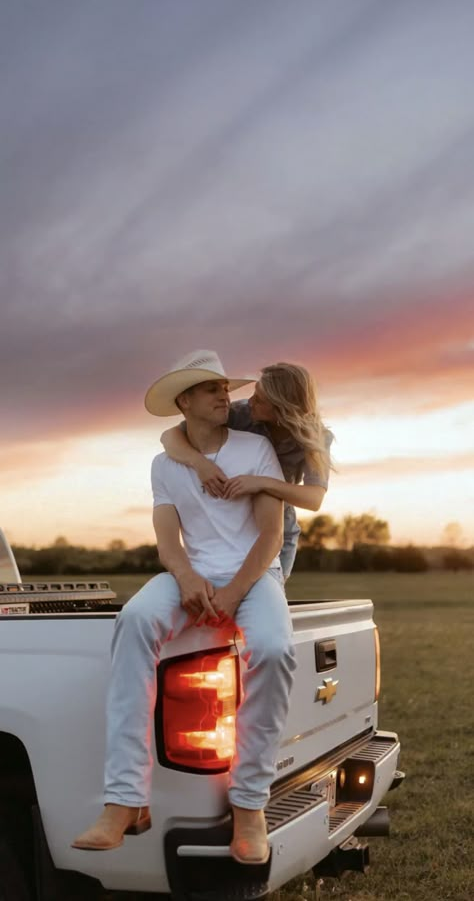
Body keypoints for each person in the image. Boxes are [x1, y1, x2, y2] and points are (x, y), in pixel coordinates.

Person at [72, 350, 296, 865]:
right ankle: (125, 801)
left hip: (255, 575)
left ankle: (248, 807)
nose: (226, 396)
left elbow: (269, 536)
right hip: (189, 573)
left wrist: (236, 591)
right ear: (185, 400)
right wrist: (188, 577)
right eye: (213, 389)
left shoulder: (256, 448)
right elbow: (167, 539)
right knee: (134, 620)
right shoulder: (165, 463)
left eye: (226, 388)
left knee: (273, 646)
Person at [161, 360, 333, 580]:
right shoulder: (239, 414)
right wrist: (201, 464)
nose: (250, 401)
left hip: (277, 531)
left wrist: (262, 482)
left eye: (260, 400)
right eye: (254, 394)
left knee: (264, 595)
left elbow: (314, 498)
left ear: (282, 409)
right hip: (230, 528)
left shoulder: (316, 438)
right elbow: (169, 437)